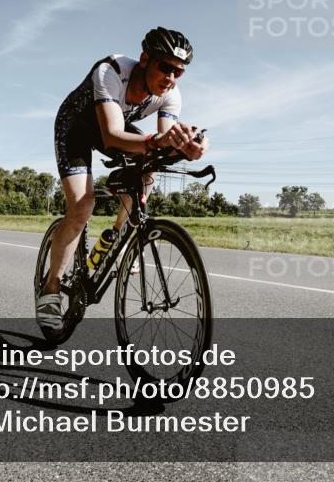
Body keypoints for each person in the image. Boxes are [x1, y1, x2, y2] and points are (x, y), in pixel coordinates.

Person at [36, 27, 208, 330]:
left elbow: (164, 138)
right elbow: (112, 135)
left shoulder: (171, 96)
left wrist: (188, 146)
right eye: (164, 67)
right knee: (82, 206)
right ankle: (51, 289)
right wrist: (160, 142)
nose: (170, 77)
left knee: (149, 170)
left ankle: (115, 237)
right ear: (144, 59)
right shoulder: (111, 71)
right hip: (78, 128)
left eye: (178, 72)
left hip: (115, 128)